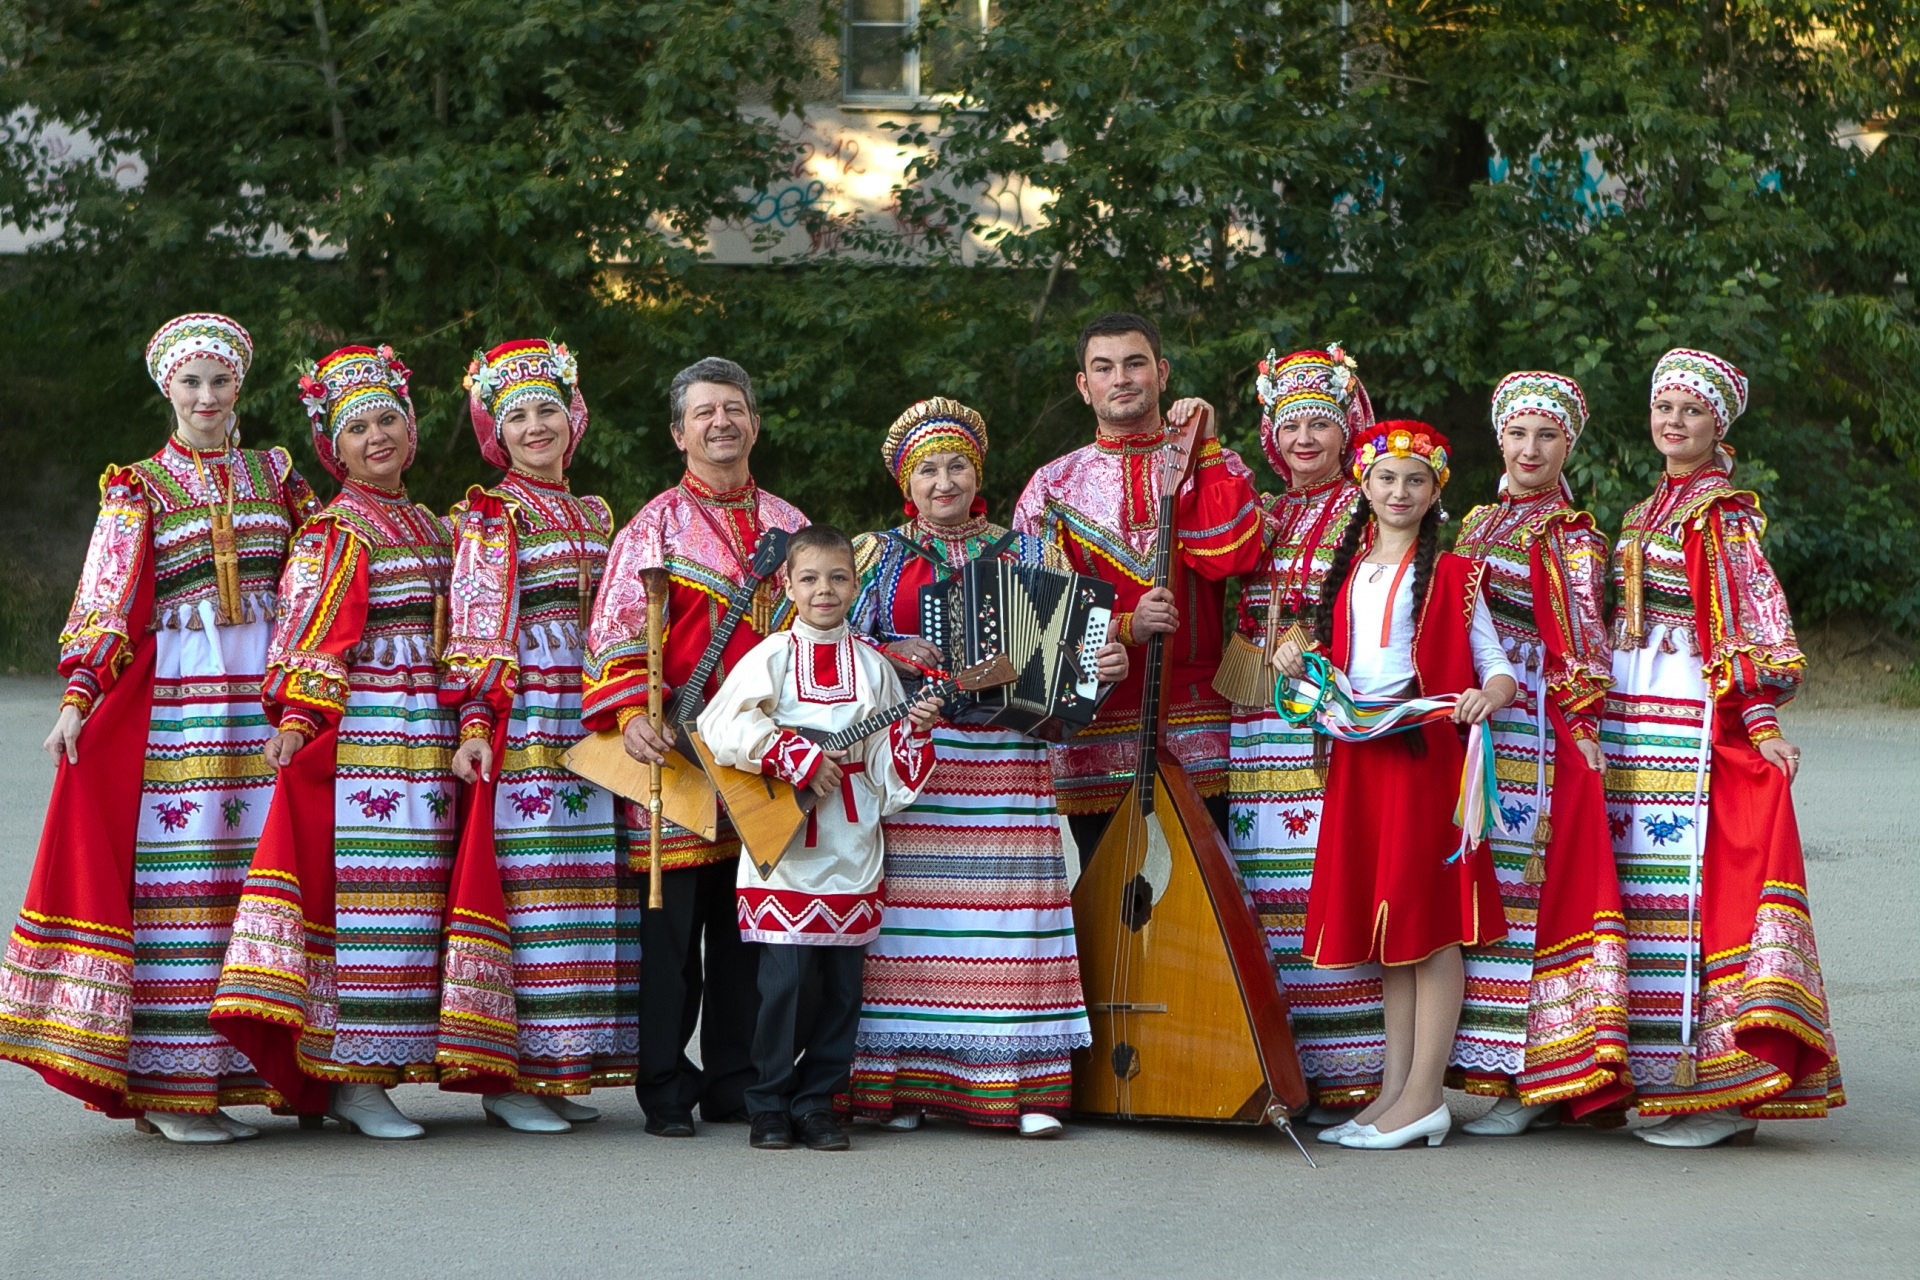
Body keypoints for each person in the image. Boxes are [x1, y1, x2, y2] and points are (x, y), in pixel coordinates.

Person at [0, 314, 317, 1143]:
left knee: (253, 887)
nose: (206, 397)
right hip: (181, 697)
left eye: (218, 382)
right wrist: (78, 697)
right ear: (167, 390)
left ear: (238, 388)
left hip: (265, 696)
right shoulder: (137, 486)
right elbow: (104, 597)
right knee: (185, 881)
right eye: (190, 383)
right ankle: (172, 1086)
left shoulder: (277, 474)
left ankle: (240, 1071)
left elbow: (318, 576)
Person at [844, 399, 1126, 1138]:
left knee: (1010, 922)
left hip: (1009, 757)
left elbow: (1078, 653)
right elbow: (828, 647)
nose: (945, 481)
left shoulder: (1027, 551)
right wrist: (907, 662)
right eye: (929, 468)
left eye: (958, 465)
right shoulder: (874, 554)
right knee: (908, 932)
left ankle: (1018, 1085)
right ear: (908, 479)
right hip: (916, 759)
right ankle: (903, 1085)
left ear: (980, 473)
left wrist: (1104, 662)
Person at [211, 344, 457, 1140]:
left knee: (419, 903)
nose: (378, 437)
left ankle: (383, 1066)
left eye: (389, 419)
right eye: (358, 430)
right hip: (373, 735)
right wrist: (301, 721)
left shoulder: (430, 523)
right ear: (334, 449)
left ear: (411, 429)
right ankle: (351, 1075)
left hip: (431, 728)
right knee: (370, 898)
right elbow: (312, 636)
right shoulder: (335, 527)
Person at [1602, 348, 1843, 1147]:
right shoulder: (1641, 512)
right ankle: (1658, 1074)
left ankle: (1719, 1086)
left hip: (1686, 711)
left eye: (1691, 412)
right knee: (1648, 896)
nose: (1674, 422)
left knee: (1698, 895)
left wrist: (1761, 725)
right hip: (1634, 713)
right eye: (1664, 408)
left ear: (1718, 425)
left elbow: (1750, 624)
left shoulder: (1721, 512)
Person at [1275, 420, 1517, 1150]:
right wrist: (1298, 660)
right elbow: (1337, 664)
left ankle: (1425, 1096)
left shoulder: (1454, 573)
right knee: (1390, 929)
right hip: (1360, 755)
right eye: (1387, 478)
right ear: (1365, 486)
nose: (1400, 491)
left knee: (1429, 925)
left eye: (1416, 480)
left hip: (1424, 756)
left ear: (1436, 489)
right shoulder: (1348, 574)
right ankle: (1393, 1091)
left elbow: (1495, 662)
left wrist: (1490, 696)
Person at [583, 356, 807, 1137]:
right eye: (705, 412)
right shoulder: (652, 526)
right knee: (673, 934)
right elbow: (613, 630)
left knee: (750, 930)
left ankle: (737, 1082)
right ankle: (666, 1089)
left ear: (754, 421)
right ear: (680, 432)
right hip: (676, 752)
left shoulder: (790, 523)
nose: (722, 422)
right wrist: (625, 714)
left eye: (734, 409)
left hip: (762, 754)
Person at [435, 339, 636, 1133]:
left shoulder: (595, 513)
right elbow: (479, 627)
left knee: (587, 883)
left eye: (547, 408)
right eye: (515, 415)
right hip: (528, 715)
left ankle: (560, 1066)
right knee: (531, 885)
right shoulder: (490, 514)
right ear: (496, 433)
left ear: (573, 416)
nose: (534, 424)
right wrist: (479, 720)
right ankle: (509, 1075)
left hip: (587, 710)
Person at [695, 524, 942, 1152]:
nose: (823, 590)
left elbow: (889, 777)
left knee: (841, 988)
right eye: (809, 578)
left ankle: (818, 1103)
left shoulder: (875, 667)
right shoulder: (770, 656)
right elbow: (720, 724)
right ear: (788, 585)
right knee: (782, 985)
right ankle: (768, 1103)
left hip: (852, 839)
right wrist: (793, 755)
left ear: (855, 586)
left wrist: (914, 729)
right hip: (786, 845)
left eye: (836, 578)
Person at [1449, 372, 1630, 1135]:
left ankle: (1530, 1077)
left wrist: (1581, 738)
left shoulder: (1576, 538)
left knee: (1523, 901)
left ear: (1568, 447)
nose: (1530, 449)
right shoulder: (1474, 523)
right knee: (1482, 890)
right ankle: (1494, 1069)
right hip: (1472, 723)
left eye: (1546, 436)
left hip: (1532, 726)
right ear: (1500, 439)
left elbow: (1584, 647)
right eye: (1519, 434)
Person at [1012, 312, 1263, 857]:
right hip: (1093, 735)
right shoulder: (1051, 486)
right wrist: (1126, 626)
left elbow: (1236, 556)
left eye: (1135, 363)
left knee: (1208, 915)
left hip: (1201, 734)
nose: (1121, 378)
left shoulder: (1211, 461)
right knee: (1111, 915)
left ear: (1162, 372)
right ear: (1084, 386)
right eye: (1103, 368)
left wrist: (1208, 447)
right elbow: (1033, 625)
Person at [1224, 345, 1385, 1123]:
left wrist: (1316, 650)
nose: (1307, 439)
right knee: (1265, 884)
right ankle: (1287, 1071)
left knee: (1326, 876)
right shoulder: (1264, 510)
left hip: (1325, 715)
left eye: (1322, 422)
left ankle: (1357, 1072)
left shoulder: (1368, 503)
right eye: (1292, 426)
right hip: (1253, 713)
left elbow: (1386, 604)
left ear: (1348, 428)